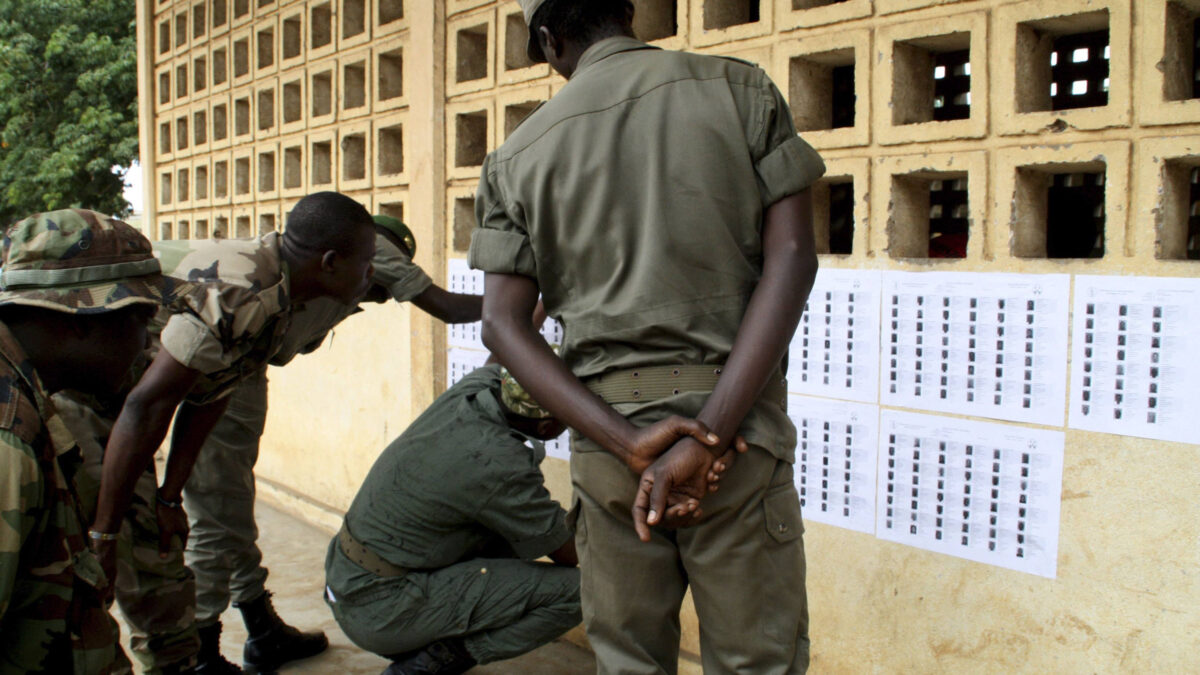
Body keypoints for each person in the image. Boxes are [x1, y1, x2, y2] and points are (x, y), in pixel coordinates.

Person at [467, 1, 825, 672]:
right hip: (737, 437)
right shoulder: (739, 89)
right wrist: (709, 431)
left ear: (550, 38)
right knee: (757, 662)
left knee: (629, 659)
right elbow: (794, 260)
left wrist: (630, 442)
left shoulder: (515, 158)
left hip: (612, 449)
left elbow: (502, 324)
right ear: (628, 12)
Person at [70, 191, 376, 675]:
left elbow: (209, 391)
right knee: (112, 562)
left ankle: (183, 658)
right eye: (368, 263)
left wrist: (170, 497)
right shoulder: (243, 292)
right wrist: (104, 534)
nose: (372, 276)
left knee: (161, 548)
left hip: (128, 391)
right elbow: (146, 407)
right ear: (331, 263)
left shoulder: (281, 294)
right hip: (82, 397)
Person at [182, 215, 486, 674]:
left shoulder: (331, 280)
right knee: (214, 510)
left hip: (240, 367)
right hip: (217, 365)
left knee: (231, 500)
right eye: (376, 282)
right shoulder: (374, 247)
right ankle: (200, 654)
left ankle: (259, 624)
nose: (380, 294)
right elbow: (447, 306)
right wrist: (526, 301)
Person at [324, 364, 581, 675]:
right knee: (581, 592)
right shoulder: (498, 462)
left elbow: (504, 346)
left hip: (346, 578)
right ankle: (434, 663)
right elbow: (569, 553)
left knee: (508, 532)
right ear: (546, 428)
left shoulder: (477, 386)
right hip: (381, 611)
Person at [0, 209, 169, 674]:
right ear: (82, 317)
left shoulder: (26, 393)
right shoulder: (8, 438)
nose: (148, 345)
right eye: (142, 320)